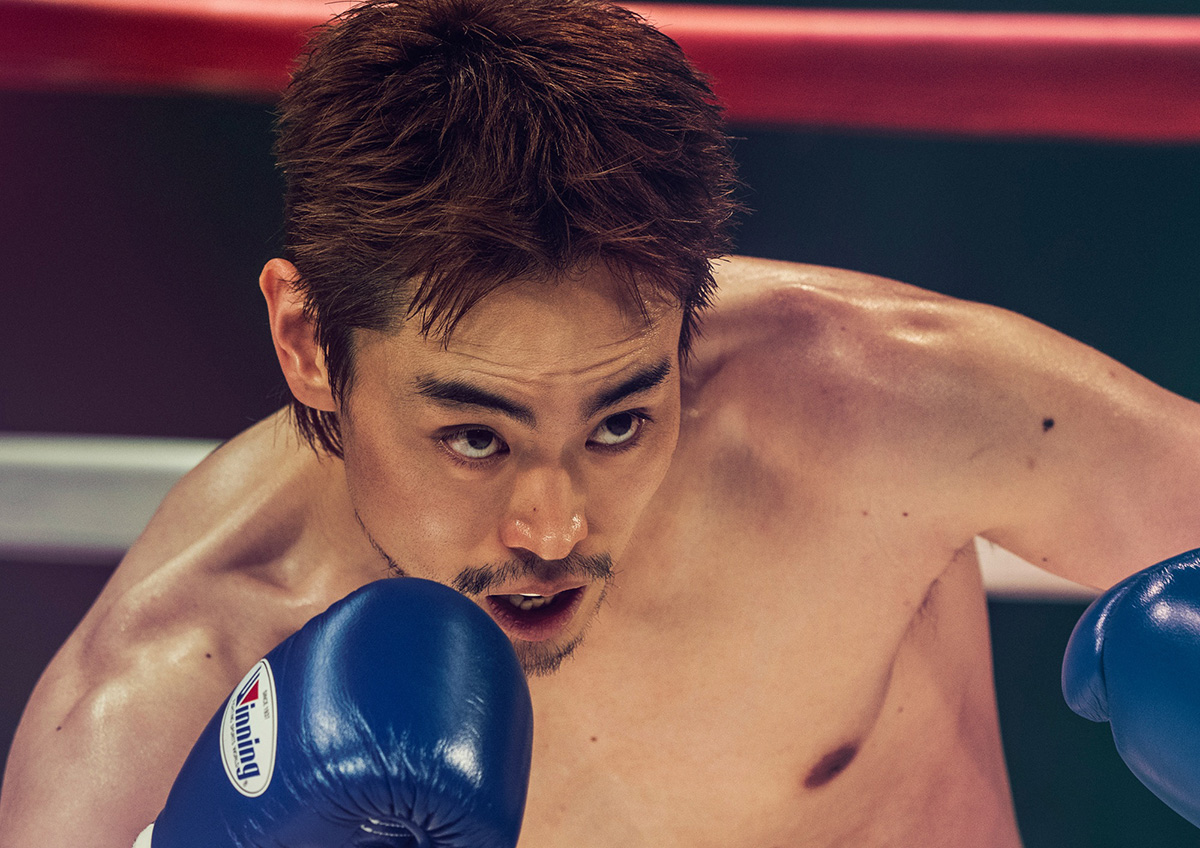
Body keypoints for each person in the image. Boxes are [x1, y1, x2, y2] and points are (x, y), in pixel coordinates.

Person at [3, 0, 1200, 845]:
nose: (553, 524)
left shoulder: (873, 411)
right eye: (477, 436)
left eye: (620, 420)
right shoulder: (182, 674)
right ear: (311, 342)